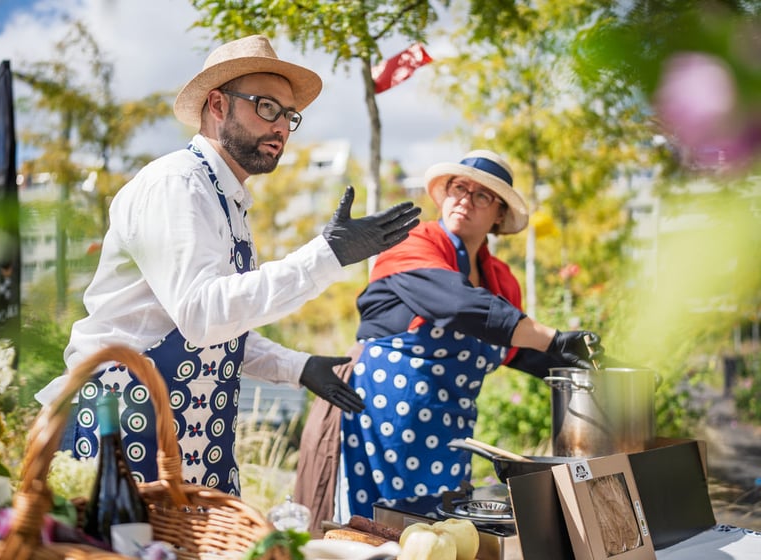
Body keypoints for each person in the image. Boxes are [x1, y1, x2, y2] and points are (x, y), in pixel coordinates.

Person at [35, 35, 421, 495]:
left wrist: (297, 365)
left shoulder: (228, 200)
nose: (281, 127)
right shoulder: (176, 185)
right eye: (266, 107)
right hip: (123, 428)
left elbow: (213, 331)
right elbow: (202, 316)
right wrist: (327, 255)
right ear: (217, 105)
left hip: (189, 439)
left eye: (289, 115)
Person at [296, 149, 604, 524]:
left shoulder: (501, 281)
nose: (465, 200)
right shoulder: (412, 244)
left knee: (443, 538)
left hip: (447, 437)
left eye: (482, 195)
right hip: (378, 429)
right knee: (376, 535)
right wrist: (554, 338)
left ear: (499, 215)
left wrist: (600, 369)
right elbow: (458, 305)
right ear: (444, 195)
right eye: (459, 187)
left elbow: (518, 350)